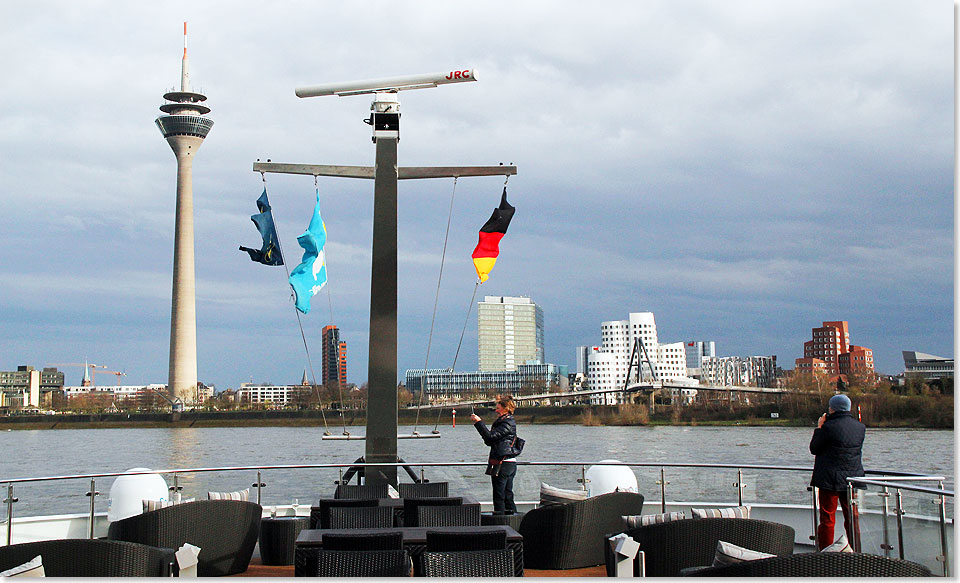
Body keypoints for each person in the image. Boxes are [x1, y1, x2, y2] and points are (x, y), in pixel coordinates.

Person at [810, 393, 865, 550]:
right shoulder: (860, 427)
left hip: (829, 479)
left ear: (832, 409)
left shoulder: (827, 427)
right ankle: (856, 551)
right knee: (852, 518)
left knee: (827, 518)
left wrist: (819, 427)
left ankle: (826, 553)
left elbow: (814, 448)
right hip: (852, 479)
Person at [470, 395, 519, 515]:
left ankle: (502, 522)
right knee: (507, 495)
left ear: (505, 408)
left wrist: (478, 422)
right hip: (507, 463)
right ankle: (512, 520)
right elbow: (489, 440)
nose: (496, 410)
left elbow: (490, 437)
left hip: (503, 463)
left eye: (498, 408)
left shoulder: (506, 423)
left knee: (499, 495)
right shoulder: (506, 422)